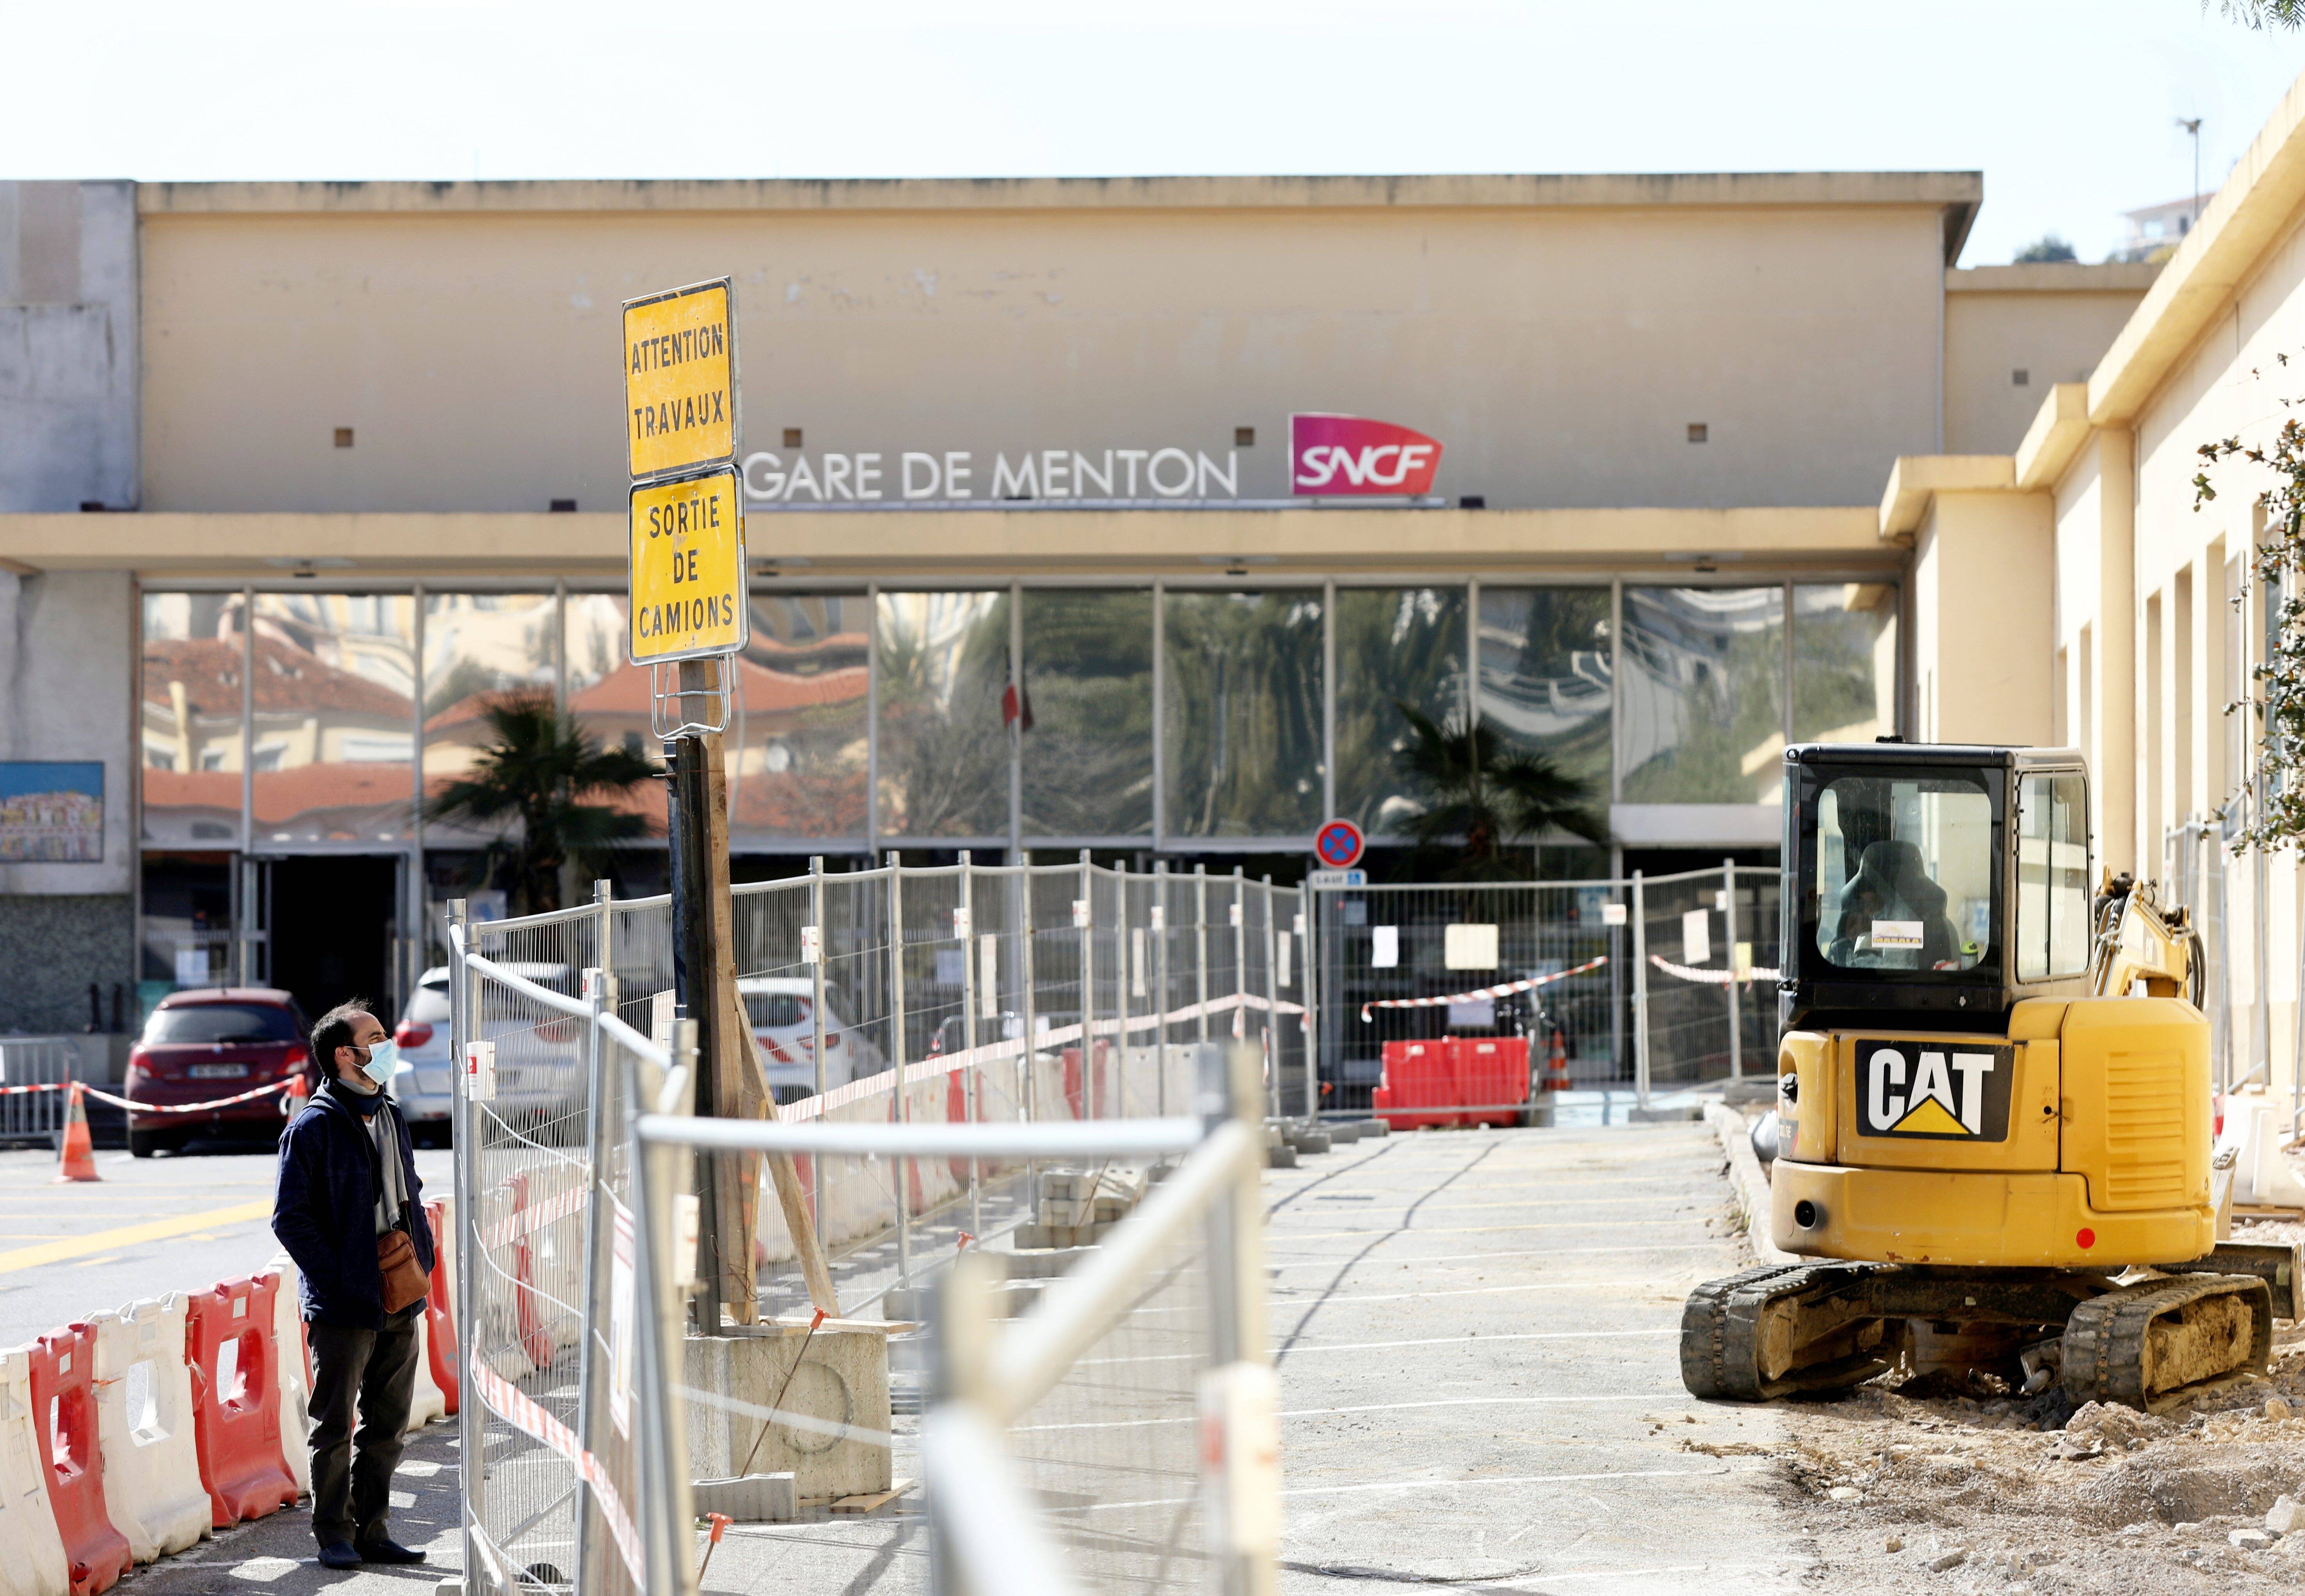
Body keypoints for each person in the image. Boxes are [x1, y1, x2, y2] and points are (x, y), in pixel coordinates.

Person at [272, 1001, 433, 1571]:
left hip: (398, 1291)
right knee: (336, 1423)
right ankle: (334, 1534)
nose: (388, 1046)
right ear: (346, 1054)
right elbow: (289, 1219)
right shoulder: (312, 1126)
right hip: (345, 1302)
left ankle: (374, 1529)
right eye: (377, 1038)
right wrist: (340, 1282)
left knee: (388, 1424)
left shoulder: (388, 1112)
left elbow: (409, 1191)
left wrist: (424, 1263)